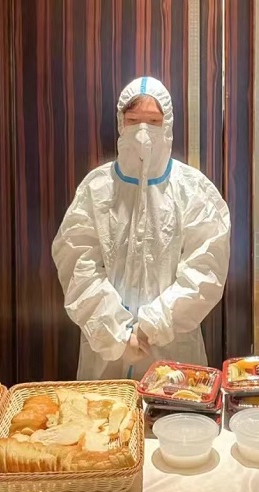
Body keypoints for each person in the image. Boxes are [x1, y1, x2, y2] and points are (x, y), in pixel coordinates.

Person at [52, 77, 231, 380]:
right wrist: (116, 335)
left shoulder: (194, 190)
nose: (143, 131)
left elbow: (205, 271)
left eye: (153, 121)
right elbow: (77, 266)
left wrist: (152, 325)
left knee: (172, 409)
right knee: (104, 411)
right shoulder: (96, 189)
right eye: (134, 120)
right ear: (121, 123)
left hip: (174, 353)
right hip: (106, 355)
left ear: (168, 124)